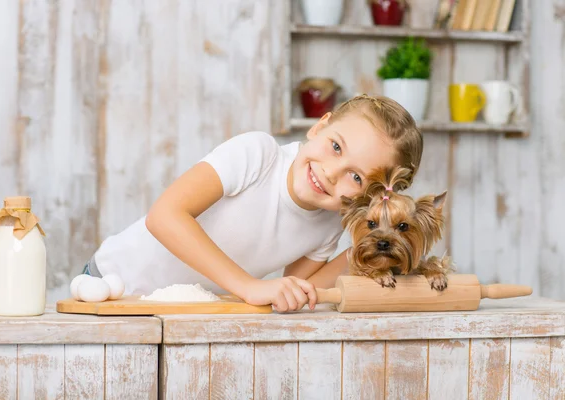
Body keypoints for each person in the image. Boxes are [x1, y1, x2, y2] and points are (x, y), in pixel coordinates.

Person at [82, 94, 423, 312]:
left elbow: (296, 293)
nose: (333, 173)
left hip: (178, 312)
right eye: (336, 147)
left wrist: (373, 247)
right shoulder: (259, 155)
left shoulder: (328, 224)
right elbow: (164, 217)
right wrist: (250, 286)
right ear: (320, 126)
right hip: (109, 287)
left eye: (357, 177)